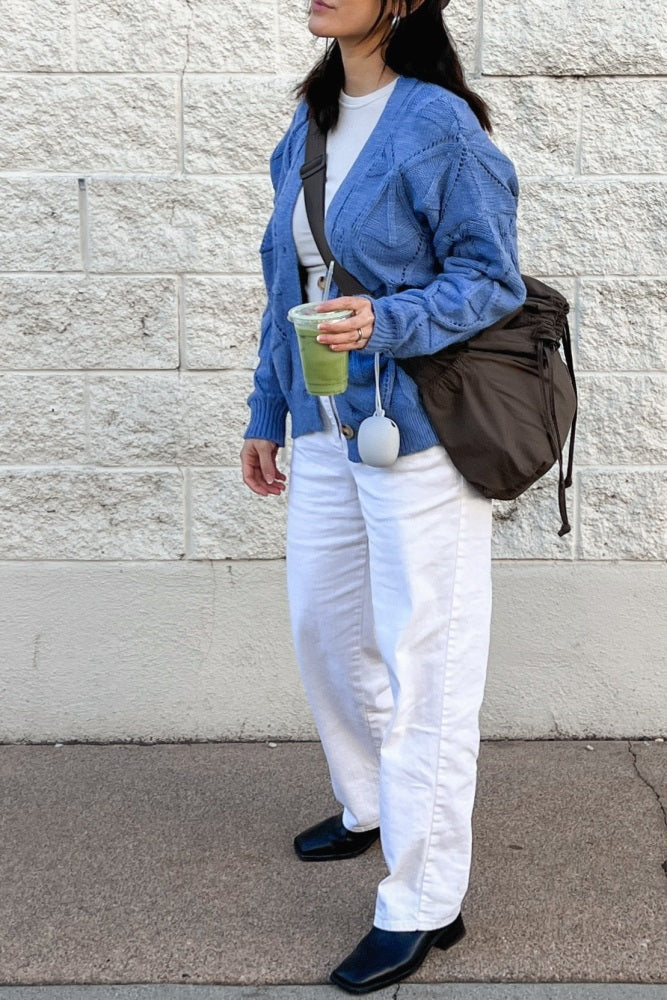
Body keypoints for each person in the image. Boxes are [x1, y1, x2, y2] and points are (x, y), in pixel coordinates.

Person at [240, 1, 525, 993]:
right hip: (325, 429)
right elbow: (285, 285)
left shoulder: (438, 124)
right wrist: (266, 409)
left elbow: (490, 279)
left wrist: (388, 319)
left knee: (425, 665)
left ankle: (423, 899)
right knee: (325, 630)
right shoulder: (310, 123)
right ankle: (369, 801)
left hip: (416, 435)